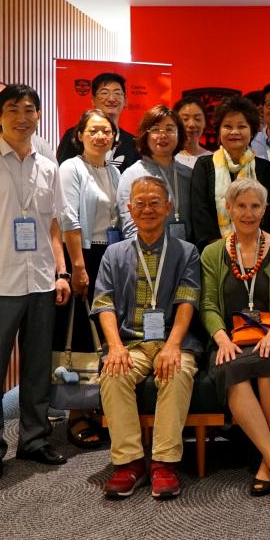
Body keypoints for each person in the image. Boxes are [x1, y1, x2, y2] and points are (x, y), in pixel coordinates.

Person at [0, 84, 71, 482]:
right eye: (13, 110)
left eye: (29, 109)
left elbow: (52, 225)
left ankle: (34, 440)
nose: (22, 117)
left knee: (37, 368)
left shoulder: (48, 166)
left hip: (40, 281)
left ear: (38, 115)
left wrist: (61, 272)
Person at [92, 177, 202, 499]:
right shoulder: (113, 254)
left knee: (177, 371)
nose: (147, 209)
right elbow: (103, 304)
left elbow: (187, 301)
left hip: (172, 340)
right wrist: (114, 347)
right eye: (140, 203)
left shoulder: (186, 252)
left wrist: (173, 345)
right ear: (129, 209)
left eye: (155, 202)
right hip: (130, 343)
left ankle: (164, 464)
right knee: (113, 373)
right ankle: (129, 463)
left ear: (168, 207)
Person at [200, 178, 270, 504]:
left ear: (265, 209)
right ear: (228, 208)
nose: (248, 213)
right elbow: (208, 305)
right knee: (231, 367)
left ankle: (268, 463)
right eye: (241, 206)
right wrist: (222, 340)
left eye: (255, 206)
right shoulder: (212, 253)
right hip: (228, 338)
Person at [56, 108, 122, 448]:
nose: (100, 136)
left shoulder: (113, 171)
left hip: (110, 256)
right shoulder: (71, 168)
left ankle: (98, 404)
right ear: (79, 135)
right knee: (81, 332)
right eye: (93, 130)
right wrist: (78, 267)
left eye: (106, 131)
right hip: (83, 255)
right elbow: (67, 218)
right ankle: (76, 412)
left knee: (105, 330)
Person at [190, 96, 270, 248]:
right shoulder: (204, 165)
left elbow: (268, 214)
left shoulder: (264, 168)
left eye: (242, 126)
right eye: (228, 126)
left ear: (252, 131)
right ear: (219, 131)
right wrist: (221, 249)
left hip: (257, 249)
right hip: (214, 251)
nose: (234, 132)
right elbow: (199, 211)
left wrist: (252, 248)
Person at [117, 105, 195, 243]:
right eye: (155, 130)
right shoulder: (132, 175)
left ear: (179, 134)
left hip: (186, 251)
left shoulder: (189, 174)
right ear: (145, 135)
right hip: (146, 250)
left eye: (169, 129)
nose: (162, 135)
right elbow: (128, 223)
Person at [56, 73, 140, 171]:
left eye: (117, 93)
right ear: (93, 100)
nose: (111, 99)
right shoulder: (74, 135)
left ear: (125, 101)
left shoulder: (133, 142)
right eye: (104, 93)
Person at [173, 96, 213, 169]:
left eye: (197, 119)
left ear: (205, 123)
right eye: (185, 119)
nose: (191, 124)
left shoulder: (213, 160)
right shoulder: (167, 157)